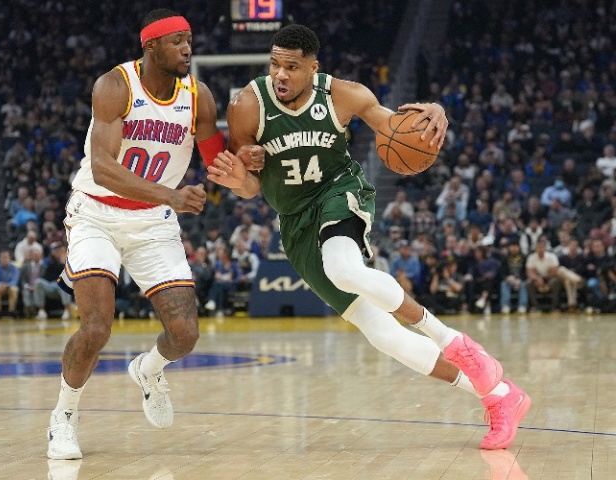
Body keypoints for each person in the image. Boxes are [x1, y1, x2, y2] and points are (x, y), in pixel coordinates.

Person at [208, 24, 530, 451]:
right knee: (384, 336)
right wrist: (239, 180)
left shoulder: (343, 95)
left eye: (292, 67)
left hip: (339, 193)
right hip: (294, 220)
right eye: (275, 65)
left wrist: (434, 111)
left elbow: (397, 127)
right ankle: (499, 395)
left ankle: (452, 340)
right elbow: (250, 187)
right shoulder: (247, 105)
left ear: (313, 68)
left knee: (343, 268)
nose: (280, 74)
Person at [45, 9, 262, 460]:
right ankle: (63, 416)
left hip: (153, 222)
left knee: (185, 334)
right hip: (96, 215)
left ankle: (148, 369)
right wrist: (172, 195)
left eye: (189, 40)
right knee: (96, 327)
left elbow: (216, 164)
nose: (187, 49)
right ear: (151, 46)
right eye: (177, 41)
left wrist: (245, 164)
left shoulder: (198, 96)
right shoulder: (115, 86)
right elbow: (103, 169)